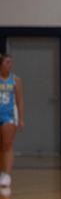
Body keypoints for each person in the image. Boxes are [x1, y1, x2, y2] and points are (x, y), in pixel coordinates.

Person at [0, 54, 24, 191]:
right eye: (7, 62)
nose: (10, 65)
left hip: (8, 116)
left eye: (11, 62)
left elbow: (20, 100)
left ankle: (7, 175)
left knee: (7, 144)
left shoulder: (15, 80)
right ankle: (2, 172)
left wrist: (21, 118)